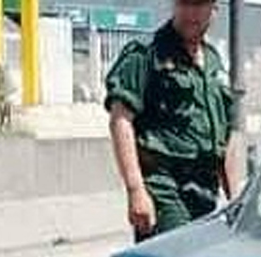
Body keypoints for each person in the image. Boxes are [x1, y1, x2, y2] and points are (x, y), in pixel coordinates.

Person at [104, 0, 244, 240]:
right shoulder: (147, 54)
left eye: (199, 5)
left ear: (214, 9)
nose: (191, 12)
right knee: (176, 253)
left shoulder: (214, 62)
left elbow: (226, 137)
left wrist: (236, 199)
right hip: (164, 187)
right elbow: (121, 120)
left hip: (204, 191)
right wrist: (136, 190)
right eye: (184, 3)